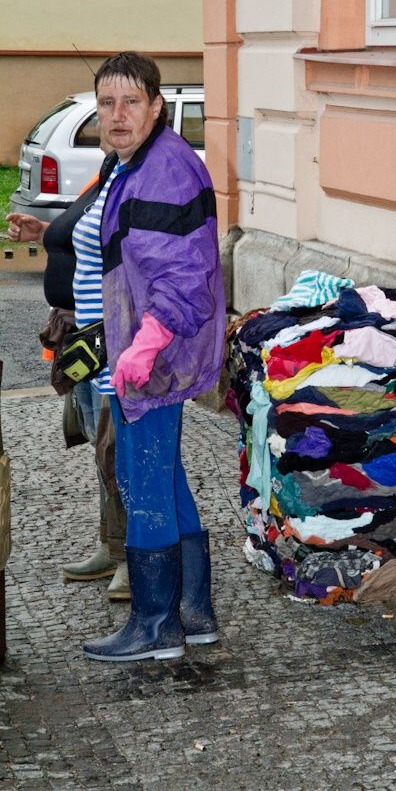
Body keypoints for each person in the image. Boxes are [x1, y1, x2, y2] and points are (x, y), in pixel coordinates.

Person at [40, 50, 225, 663]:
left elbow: (182, 275)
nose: (117, 115)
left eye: (131, 102)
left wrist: (143, 348)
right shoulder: (128, 162)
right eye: (106, 103)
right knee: (163, 479)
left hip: (149, 356)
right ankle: (193, 614)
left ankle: (154, 626)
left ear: (157, 107)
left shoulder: (164, 171)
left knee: (142, 483)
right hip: (126, 349)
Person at [6, 184, 129, 601]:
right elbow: (85, 245)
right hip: (83, 340)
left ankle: (133, 558)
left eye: (122, 110)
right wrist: (43, 231)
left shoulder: (136, 175)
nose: (112, 116)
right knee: (101, 448)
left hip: (111, 340)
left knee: (118, 453)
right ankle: (111, 545)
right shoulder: (104, 175)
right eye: (104, 111)